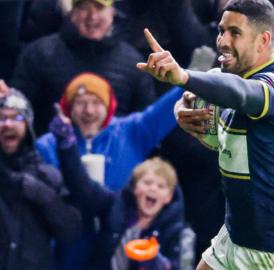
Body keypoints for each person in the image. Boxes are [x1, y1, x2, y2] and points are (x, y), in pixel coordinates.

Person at [138, 0, 274, 268]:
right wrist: (180, 109)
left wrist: (184, 76)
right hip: (236, 235)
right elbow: (212, 93)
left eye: (235, 33)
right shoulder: (226, 78)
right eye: (221, 30)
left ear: (263, 40)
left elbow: (243, 94)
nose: (223, 41)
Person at [35, 72, 182, 270]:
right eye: (80, 103)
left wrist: (189, 81)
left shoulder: (131, 131)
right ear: (68, 107)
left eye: (96, 103)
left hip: (116, 240)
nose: (88, 110)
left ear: (109, 105)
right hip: (68, 243)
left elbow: (164, 111)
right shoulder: (49, 144)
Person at [11, 0, 156, 135]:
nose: (92, 16)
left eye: (99, 8)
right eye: (83, 8)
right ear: (71, 12)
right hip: (52, 157)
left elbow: (146, 125)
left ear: (112, 12)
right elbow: (18, 114)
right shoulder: (39, 55)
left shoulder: (133, 62)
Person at [0, 84, 82, 270]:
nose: (8, 124)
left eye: (17, 118)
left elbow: (71, 232)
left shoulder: (46, 175)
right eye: (1, 118)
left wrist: (44, 197)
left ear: (28, 126)